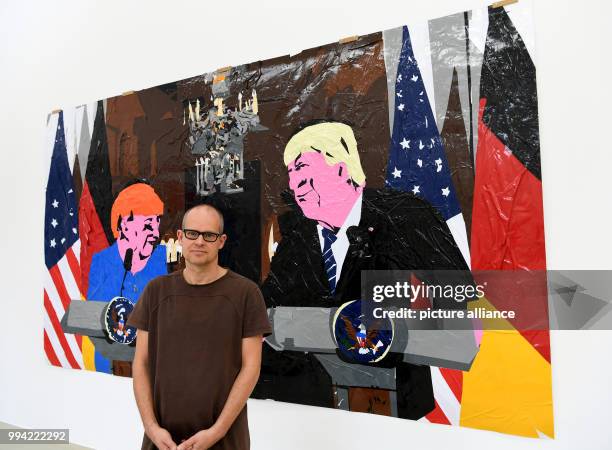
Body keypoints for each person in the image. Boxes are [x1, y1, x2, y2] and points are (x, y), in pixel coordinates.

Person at [254, 120, 471, 419]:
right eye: (291, 173)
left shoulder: (407, 215)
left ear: (342, 168)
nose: (295, 184)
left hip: (391, 403)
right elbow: (268, 310)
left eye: (302, 168)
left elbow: (460, 303)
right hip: (312, 407)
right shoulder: (298, 234)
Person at [127, 204, 272, 450]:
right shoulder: (156, 291)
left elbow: (251, 368)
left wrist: (217, 432)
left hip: (224, 441)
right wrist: (151, 428)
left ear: (221, 241)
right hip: (162, 440)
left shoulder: (245, 293)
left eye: (209, 235)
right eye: (192, 233)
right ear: (180, 238)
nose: (199, 241)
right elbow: (140, 363)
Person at [88, 182, 167, 374]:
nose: (155, 234)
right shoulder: (101, 261)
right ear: (124, 224)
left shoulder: (164, 258)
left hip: (153, 369)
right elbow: (92, 317)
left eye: (157, 223)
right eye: (148, 225)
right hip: (109, 371)